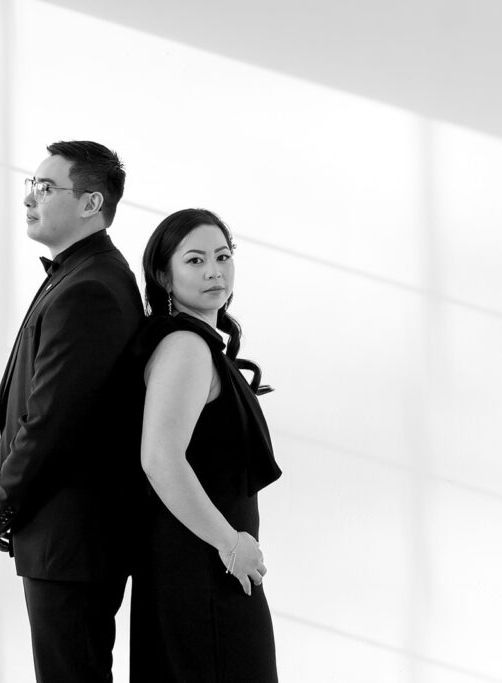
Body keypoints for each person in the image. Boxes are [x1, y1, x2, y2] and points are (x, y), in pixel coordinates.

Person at [0, 141, 144, 682]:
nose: (30, 199)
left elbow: (55, 421)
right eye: (32, 185)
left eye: (46, 188)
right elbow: (31, 400)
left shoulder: (92, 286)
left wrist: (1, 499)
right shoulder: (78, 275)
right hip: (61, 536)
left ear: (91, 203)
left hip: (72, 540)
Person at [129, 208, 283, 682]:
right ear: (164, 276)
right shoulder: (186, 348)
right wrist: (230, 543)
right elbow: (159, 458)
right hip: (204, 567)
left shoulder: (196, 343)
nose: (215, 271)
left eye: (222, 256)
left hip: (202, 565)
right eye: (195, 261)